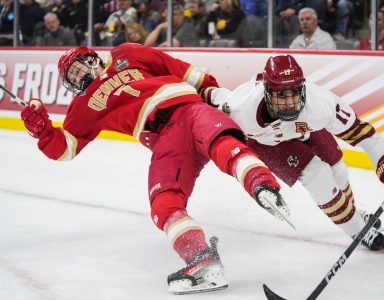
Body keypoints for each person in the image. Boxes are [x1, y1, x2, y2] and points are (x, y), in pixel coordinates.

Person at [19, 43, 290, 295]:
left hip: (189, 109)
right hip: (165, 140)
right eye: (72, 78)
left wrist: (210, 91)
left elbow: (186, 73)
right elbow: (65, 149)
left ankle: (261, 185)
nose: (78, 79)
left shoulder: (128, 53)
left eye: (77, 70)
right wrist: (42, 129)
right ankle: (202, 261)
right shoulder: (84, 105)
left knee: (223, 144)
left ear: (91, 58)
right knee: (163, 204)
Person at [207, 55, 384, 251]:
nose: (290, 103)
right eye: (281, 95)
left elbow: (364, 134)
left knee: (338, 170)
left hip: (304, 128)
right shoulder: (240, 108)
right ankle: (358, 230)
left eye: (295, 93)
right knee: (317, 174)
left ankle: (353, 215)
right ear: (267, 91)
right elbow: (213, 106)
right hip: (267, 142)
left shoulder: (321, 104)